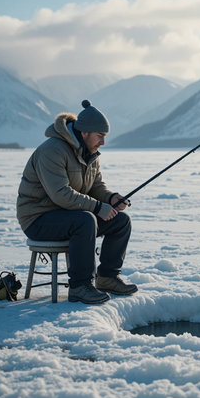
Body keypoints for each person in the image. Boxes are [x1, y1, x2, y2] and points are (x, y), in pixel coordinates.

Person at [16, 100, 137, 304]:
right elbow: (61, 194)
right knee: (86, 221)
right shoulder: (52, 150)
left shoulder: (90, 154)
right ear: (84, 133)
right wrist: (99, 207)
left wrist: (110, 198)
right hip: (38, 218)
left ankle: (107, 277)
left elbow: (96, 185)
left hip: (69, 214)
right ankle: (80, 286)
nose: (103, 143)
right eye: (100, 136)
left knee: (121, 221)